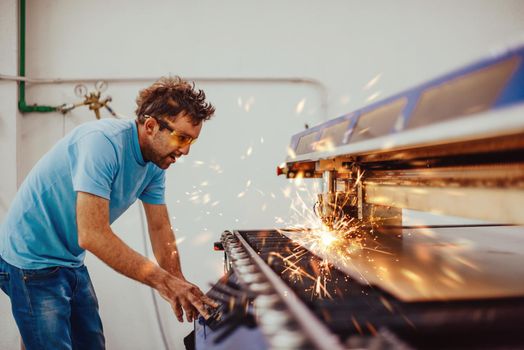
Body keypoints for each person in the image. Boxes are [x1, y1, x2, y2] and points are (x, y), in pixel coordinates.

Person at [0, 76, 218, 350]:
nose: (185, 150)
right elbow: (92, 235)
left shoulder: (157, 163)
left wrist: (178, 282)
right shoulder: (102, 143)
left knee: (90, 344)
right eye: (181, 137)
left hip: (68, 258)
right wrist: (163, 282)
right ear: (150, 126)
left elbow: (160, 228)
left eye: (191, 141)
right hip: (29, 259)